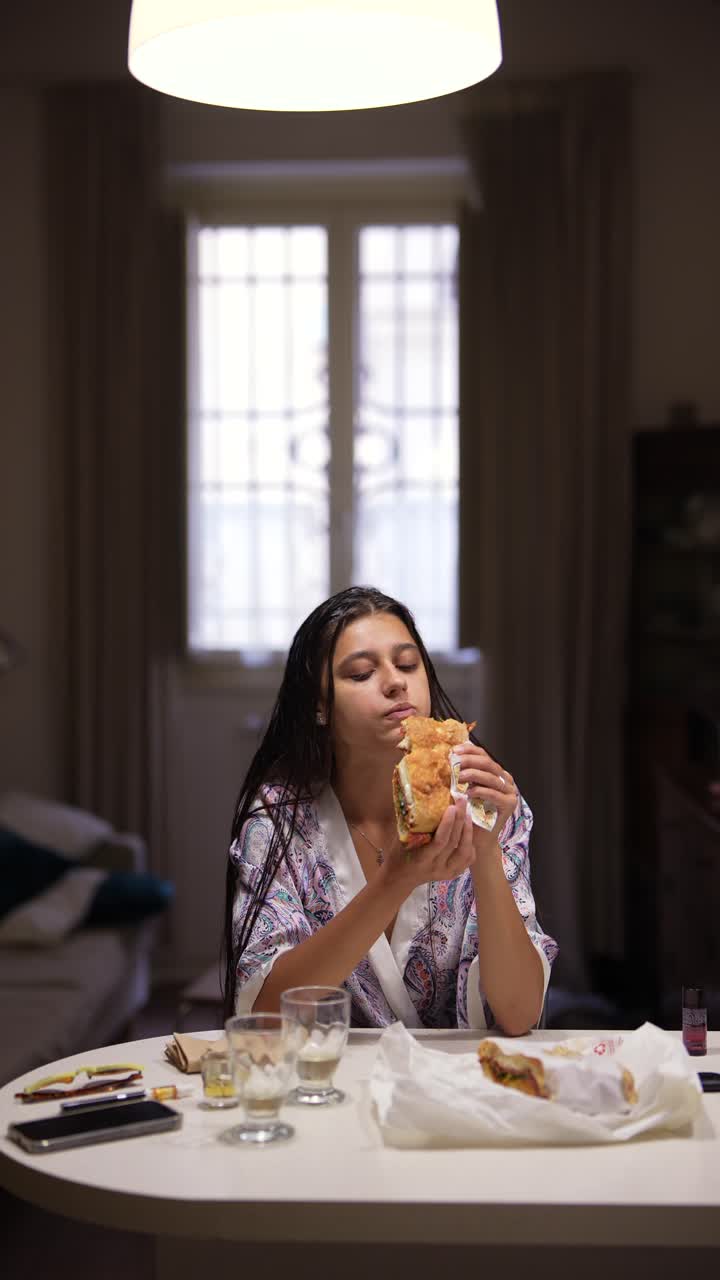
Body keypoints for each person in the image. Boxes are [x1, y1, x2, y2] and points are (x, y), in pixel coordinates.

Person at [222, 587, 557, 1032]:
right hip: (330, 1071)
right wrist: (394, 881)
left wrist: (487, 855)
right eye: (361, 673)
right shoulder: (278, 819)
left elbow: (518, 1015)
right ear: (320, 707)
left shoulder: (489, 802)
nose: (396, 682)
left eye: (408, 664)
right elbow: (265, 1018)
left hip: (456, 1072)